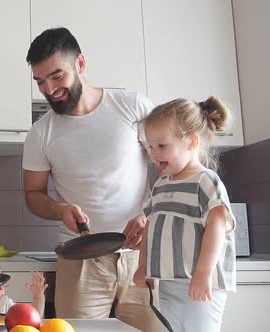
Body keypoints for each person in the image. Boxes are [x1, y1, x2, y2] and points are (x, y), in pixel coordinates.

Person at [22, 27, 161, 331]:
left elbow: (174, 169)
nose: (49, 89)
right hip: (79, 257)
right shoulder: (40, 133)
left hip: (141, 253)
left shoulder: (132, 107)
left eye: (57, 76)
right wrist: (59, 209)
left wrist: (149, 213)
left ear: (80, 64)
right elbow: (33, 194)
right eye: (40, 81)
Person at [133, 96, 236, 331]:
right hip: (169, 282)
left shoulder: (205, 181)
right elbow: (150, 226)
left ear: (190, 142)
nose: (153, 153)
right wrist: (143, 267)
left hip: (201, 280)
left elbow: (217, 226)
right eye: (150, 147)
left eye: (161, 146)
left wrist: (203, 273)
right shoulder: (161, 185)